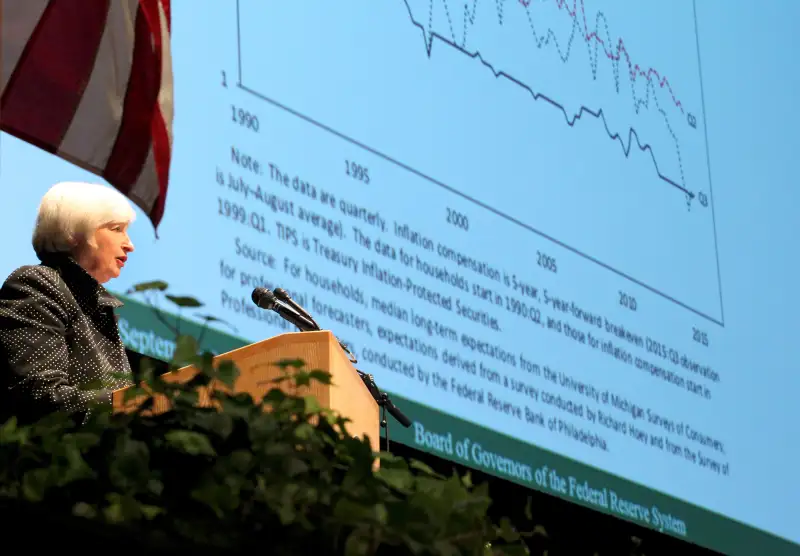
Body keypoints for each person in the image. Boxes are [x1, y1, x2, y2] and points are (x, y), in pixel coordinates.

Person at [0, 181, 137, 425]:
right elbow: (42, 396)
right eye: (117, 229)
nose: (130, 244)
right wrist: (136, 404)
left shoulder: (96, 304)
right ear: (75, 233)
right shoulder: (37, 284)